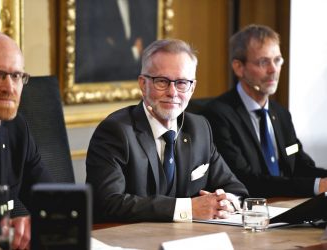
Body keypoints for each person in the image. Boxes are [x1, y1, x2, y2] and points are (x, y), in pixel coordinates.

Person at [86, 38, 248, 223]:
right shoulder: (116, 132)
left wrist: (227, 202)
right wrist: (188, 209)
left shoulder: (199, 128)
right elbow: (108, 203)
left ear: (192, 87)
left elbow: (236, 189)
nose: (172, 92)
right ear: (143, 84)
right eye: (162, 81)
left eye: (181, 83)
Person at [201, 24, 327, 198]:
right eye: (263, 62)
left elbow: (299, 165)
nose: (273, 69)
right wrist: (315, 186)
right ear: (239, 67)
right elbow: (245, 180)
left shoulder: (281, 113)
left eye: (277, 60)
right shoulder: (218, 115)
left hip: (286, 206)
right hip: (248, 213)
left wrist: (322, 180)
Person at [0, 32, 53, 249]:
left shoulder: (16, 129)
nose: (9, 87)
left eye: (16, 75)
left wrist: (35, 224)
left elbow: (55, 201)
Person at [75, 0, 157, 82]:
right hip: (107, 79)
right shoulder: (99, 5)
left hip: (135, 78)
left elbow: (145, 40)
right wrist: (133, 52)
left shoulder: (136, 4)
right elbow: (104, 51)